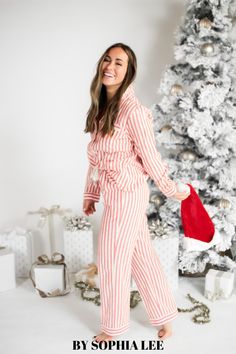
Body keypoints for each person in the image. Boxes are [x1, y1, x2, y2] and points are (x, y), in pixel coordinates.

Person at [83, 43, 190, 343]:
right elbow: (95, 158)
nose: (110, 66)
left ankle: (114, 328)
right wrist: (90, 193)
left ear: (128, 73)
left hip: (128, 194)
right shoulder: (100, 108)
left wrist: (170, 188)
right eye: (107, 59)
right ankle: (166, 315)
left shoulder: (134, 112)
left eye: (119, 63)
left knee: (112, 259)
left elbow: (151, 158)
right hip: (112, 193)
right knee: (140, 255)